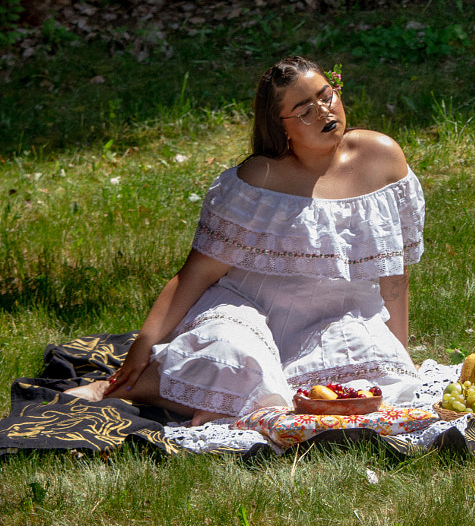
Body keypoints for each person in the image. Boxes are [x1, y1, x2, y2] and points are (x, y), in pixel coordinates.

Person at [70, 56, 425, 425]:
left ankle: (226, 401)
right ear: (280, 126)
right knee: (232, 351)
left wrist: (401, 352)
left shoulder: (381, 157)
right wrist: (141, 347)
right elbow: (197, 273)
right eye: (304, 110)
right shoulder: (258, 179)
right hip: (251, 310)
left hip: (336, 318)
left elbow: (394, 274)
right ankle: (130, 387)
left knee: (388, 382)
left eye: (326, 96)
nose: (324, 111)